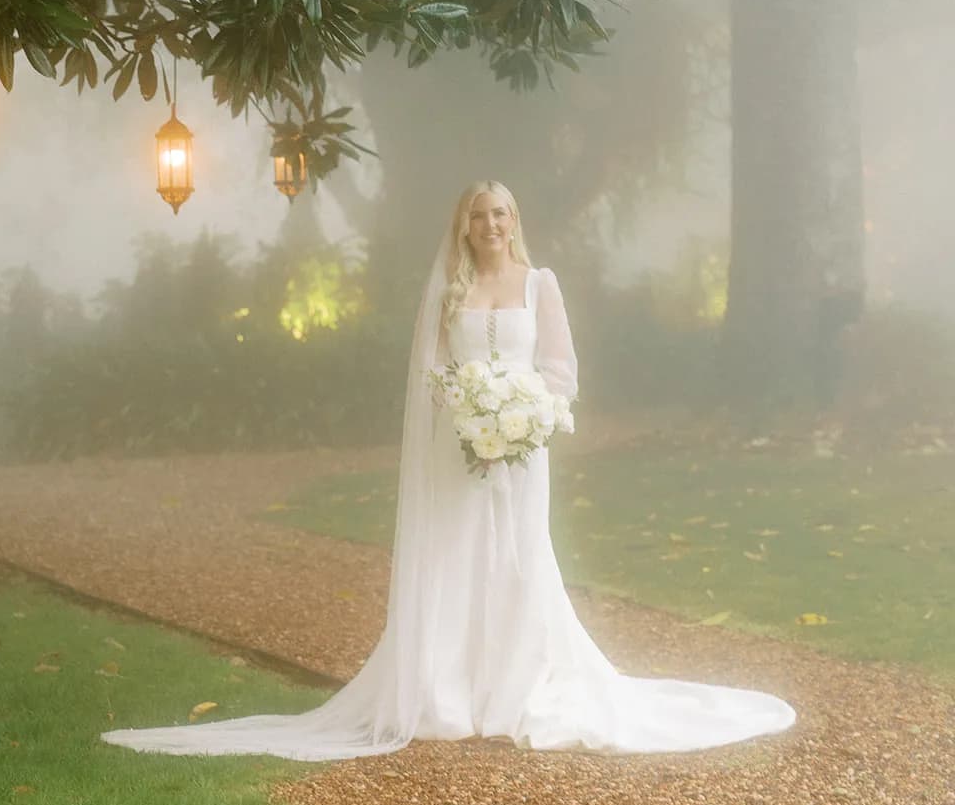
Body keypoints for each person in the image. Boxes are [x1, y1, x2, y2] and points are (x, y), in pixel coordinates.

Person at [101, 180, 796, 760]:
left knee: (520, 559)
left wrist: (526, 413)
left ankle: (517, 685)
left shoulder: (538, 285)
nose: (491, 224)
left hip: (523, 453)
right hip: (460, 448)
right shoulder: (450, 292)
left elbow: (560, 369)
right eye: (479, 214)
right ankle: (451, 689)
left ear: (513, 222)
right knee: (459, 555)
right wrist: (471, 413)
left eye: (501, 214)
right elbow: (433, 373)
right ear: (463, 225)